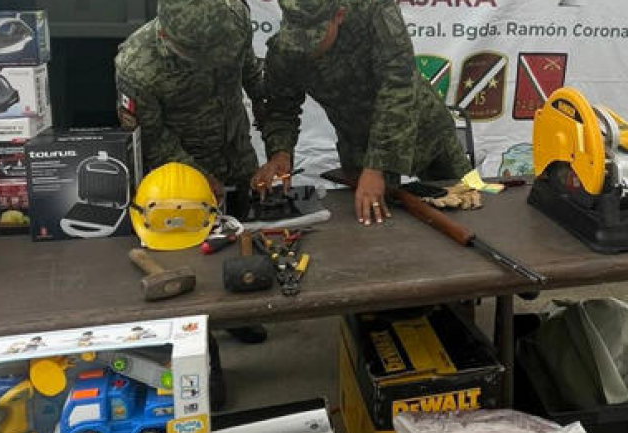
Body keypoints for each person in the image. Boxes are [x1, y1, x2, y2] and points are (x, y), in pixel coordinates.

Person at [114, 0, 267, 352]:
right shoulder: (137, 65)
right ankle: (201, 346)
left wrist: (266, 109)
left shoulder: (234, 20)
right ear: (165, 34)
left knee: (240, 235)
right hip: (181, 176)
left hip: (235, 150)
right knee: (189, 260)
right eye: (194, 54)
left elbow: (250, 72)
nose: (207, 61)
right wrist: (198, 177)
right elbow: (152, 136)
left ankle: (238, 315)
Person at [253, 0, 472, 227]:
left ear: (339, 15)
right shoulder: (285, 50)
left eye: (314, 37)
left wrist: (377, 165)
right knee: (371, 226)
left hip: (424, 126)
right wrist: (280, 153)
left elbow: (398, 85)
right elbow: (281, 109)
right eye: (298, 39)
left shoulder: (374, 9)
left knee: (469, 205)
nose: (307, 49)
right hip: (358, 143)